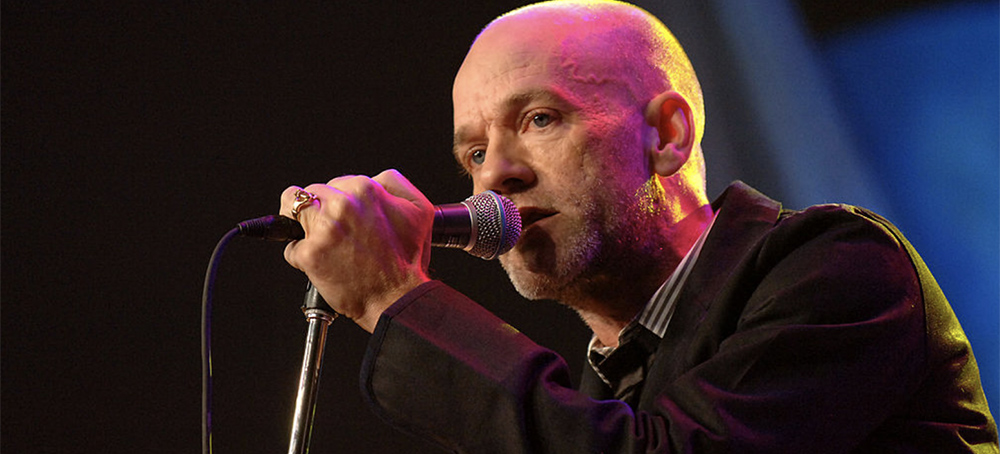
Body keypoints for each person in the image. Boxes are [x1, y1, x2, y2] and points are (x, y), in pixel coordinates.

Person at [279, 1, 998, 452]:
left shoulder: (838, 270)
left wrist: (391, 300)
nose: (495, 174)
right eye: (474, 152)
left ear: (667, 136)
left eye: (539, 119)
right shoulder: (611, 392)